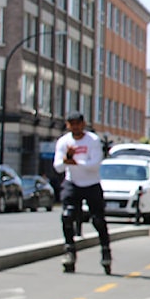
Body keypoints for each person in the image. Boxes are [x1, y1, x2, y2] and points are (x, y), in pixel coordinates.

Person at [53, 111, 112, 274]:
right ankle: (69, 251)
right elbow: (58, 166)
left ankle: (105, 250)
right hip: (73, 182)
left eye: (78, 123)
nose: (75, 127)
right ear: (67, 125)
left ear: (83, 124)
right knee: (67, 215)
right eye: (72, 124)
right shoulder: (64, 142)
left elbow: (95, 164)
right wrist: (67, 161)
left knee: (98, 220)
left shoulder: (92, 140)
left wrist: (75, 161)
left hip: (92, 183)